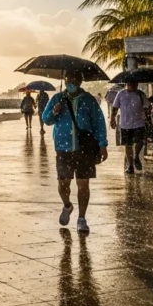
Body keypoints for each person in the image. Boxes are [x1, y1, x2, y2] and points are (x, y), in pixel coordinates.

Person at [42, 71, 108, 233]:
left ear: (80, 81)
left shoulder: (89, 100)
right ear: (64, 80)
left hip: (84, 149)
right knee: (63, 184)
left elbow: (99, 123)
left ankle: (82, 218)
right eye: (68, 79)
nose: (71, 82)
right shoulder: (57, 99)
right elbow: (46, 120)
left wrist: (102, 144)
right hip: (63, 148)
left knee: (83, 184)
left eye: (75, 79)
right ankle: (67, 205)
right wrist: (54, 111)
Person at [110, 82, 149, 174]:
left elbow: (147, 107)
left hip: (139, 123)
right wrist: (112, 119)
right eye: (130, 83)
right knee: (128, 145)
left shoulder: (141, 94)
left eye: (134, 83)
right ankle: (130, 166)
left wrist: (147, 117)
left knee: (139, 142)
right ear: (127, 84)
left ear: (137, 84)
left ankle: (136, 157)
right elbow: (115, 107)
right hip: (125, 124)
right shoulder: (121, 93)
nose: (132, 85)